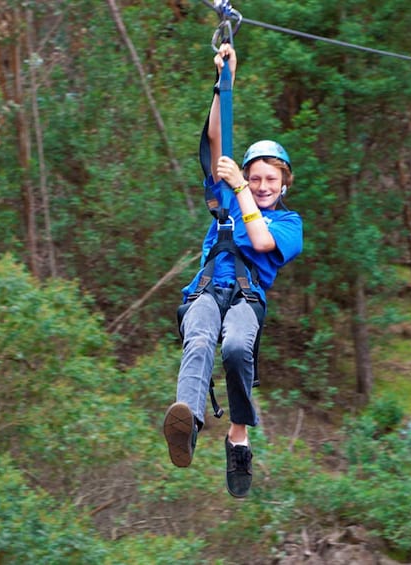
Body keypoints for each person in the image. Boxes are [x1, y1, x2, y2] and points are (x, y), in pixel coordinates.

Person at [163, 43, 303, 498]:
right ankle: (186, 422)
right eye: (255, 177)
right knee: (200, 337)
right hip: (205, 291)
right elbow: (214, 140)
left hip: (246, 299)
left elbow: (261, 241)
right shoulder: (226, 195)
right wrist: (225, 81)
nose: (262, 186)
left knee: (238, 348)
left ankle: (238, 435)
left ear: (283, 185)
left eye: (270, 180)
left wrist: (240, 186)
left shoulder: (287, 222)